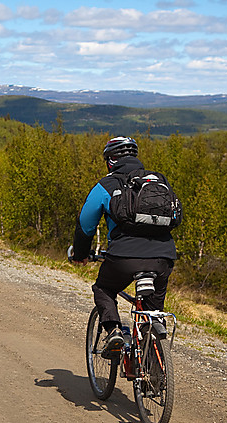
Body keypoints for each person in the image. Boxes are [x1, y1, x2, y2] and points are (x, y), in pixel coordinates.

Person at [71, 136, 179, 357]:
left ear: (110, 160)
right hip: (163, 257)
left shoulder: (106, 185)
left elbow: (85, 225)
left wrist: (80, 254)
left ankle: (113, 332)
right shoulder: (158, 181)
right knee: (153, 312)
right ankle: (155, 362)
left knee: (104, 289)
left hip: (123, 257)